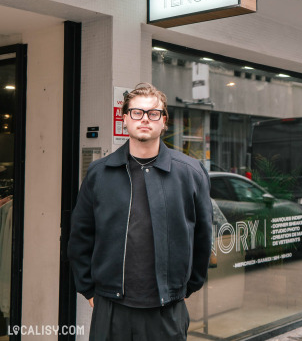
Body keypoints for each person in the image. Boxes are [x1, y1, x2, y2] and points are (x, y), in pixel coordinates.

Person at [68, 82, 213, 341]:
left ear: (164, 121)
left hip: (166, 310)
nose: (145, 119)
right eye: (137, 112)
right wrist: (89, 290)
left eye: (153, 113)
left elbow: (202, 238)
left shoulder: (190, 173)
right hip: (110, 308)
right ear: (124, 118)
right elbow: (80, 235)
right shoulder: (99, 173)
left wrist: (183, 289)